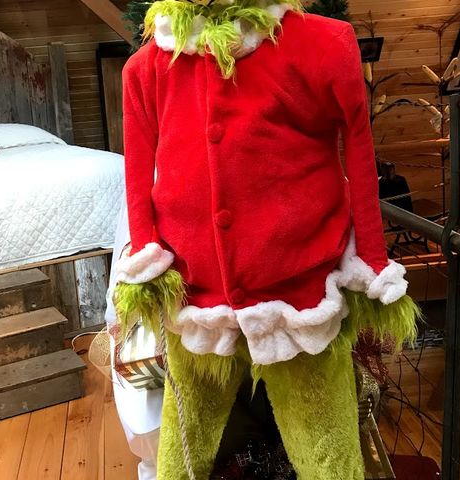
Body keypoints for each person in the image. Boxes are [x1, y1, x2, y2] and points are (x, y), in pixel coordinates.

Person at [113, 1, 419, 479]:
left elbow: (359, 147)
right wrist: (146, 249)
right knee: (183, 449)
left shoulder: (321, 43)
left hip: (300, 298)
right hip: (195, 298)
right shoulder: (147, 67)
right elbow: (137, 170)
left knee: (328, 451)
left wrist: (374, 259)